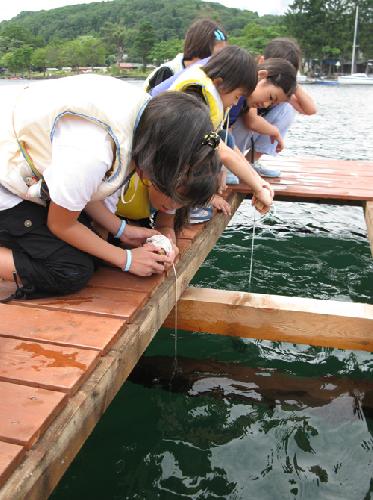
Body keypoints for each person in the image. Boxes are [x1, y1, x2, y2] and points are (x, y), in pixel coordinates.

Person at [0, 74, 221, 299]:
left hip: (30, 174)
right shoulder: (94, 151)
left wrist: (122, 231)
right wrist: (127, 260)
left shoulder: (147, 122)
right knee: (70, 270)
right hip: (5, 183)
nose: (173, 206)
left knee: (94, 247)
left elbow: (82, 192)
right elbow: (60, 224)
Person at [229, 37, 317, 180]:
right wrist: (275, 132)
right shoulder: (248, 86)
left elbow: (310, 110)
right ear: (263, 63)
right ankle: (231, 166)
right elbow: (251, 121)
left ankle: (249, 163)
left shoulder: (276, 90)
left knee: (287, 109)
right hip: (229, 134)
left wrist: (290, 82)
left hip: (232, 138)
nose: (266, 104)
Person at [144, 18, 227, 93]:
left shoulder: (211, 77)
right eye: (217, 55)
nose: (221, 59)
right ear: (200, 48)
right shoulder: (167, 72)